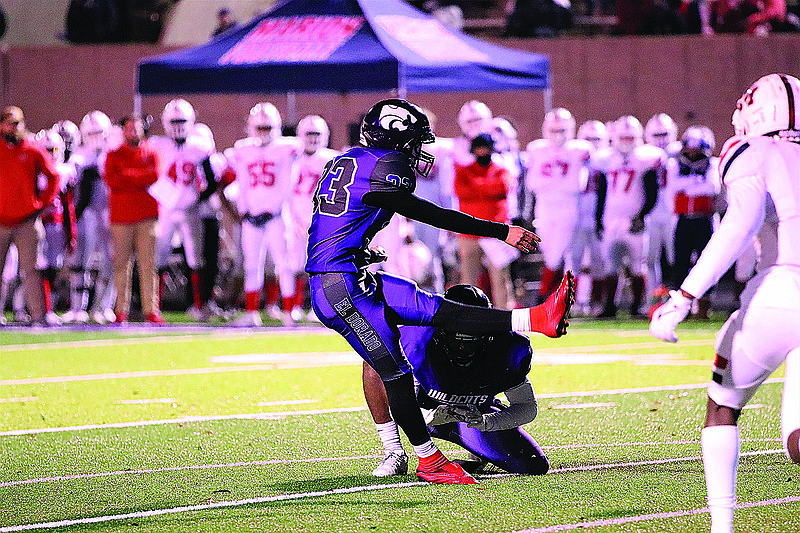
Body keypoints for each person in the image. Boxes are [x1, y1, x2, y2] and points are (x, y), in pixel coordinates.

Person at [305, 98, 575, 485]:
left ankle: (534, 318)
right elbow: (431, 214)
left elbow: (331, 220)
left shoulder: (345, 161)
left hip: (346, 273)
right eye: (414, 140)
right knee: (394, 370)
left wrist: (359, 249)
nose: (419, 150)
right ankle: (425, 459)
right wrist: (502, 230)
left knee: (435, 307)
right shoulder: (388, 165)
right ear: (396, 139)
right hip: (339, 286)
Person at [650, 73, 800, 533]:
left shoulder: (749, 149)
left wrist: (685, 294)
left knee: (722, 406)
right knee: (797, 442)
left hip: (781, 292)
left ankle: (723, 527)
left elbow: (740, 223)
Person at [363, 284, 548, 477]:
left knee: (531, 464)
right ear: (441, 331)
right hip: (423, 413)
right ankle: (394, 451)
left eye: (472, 338)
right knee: (375, 359)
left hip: (472, 418)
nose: (462, 348)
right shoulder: (416, 341)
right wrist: (430, 416)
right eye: (456, 338)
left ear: (488, 334)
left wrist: (487, 421)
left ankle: (472, 455)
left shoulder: (508, 348)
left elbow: (526, 405)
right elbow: (398, 400)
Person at [224, 102, 300, 326]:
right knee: (251, 265)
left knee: (283, 264)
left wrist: (275, 208)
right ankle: (251, 312)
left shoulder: (287, 148)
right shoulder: (243, 149)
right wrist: (244, 210)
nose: (263, 133)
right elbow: (242, 181)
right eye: (260, 128)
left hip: (276, 215)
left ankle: (288, 312)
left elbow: (289, 181)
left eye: (267, 128)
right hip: (252, 217)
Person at [149, 99, 218, 321]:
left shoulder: (199, 147)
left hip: (190, 210)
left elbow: (211, 181)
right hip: (165, 209)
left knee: (195, 258)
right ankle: (154, 308)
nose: (178, 126)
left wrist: (197, 199)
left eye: (182, 121)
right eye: (174, 121)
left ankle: (198, 305)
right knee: (158, 258)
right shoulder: (156, 145)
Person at [593, 115, 665, 318]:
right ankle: (609, 306)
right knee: (610, 264)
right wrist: (598, 218)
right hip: (611, 218)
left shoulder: (645, 159)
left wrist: (642, 216)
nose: (626, 141)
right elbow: (602, 191)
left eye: (629, 137)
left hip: (634, 218)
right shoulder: (606, 159)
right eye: (622, 137)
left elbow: (652, 193)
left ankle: (638, 305)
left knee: (637, 264)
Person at [525, 108, 593, 305]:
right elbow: (532, 184)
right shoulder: (537, 149)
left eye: (562, 130)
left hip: (567, 208)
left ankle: (544, 295)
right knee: (548, 252)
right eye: (554, 130)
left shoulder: (578, 149)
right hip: (544, 208)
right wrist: (558, 183)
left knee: (556, 255)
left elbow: (577, 186)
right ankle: (554, 296)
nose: (558, 135)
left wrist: (552, 183)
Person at [0, 106, 61, 326]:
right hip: (1, 221)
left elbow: (53, 176)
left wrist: (41, 203)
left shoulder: (32, 149)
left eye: (17, 123)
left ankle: (38, 315)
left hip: (27, 220)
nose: (13, 128)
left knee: (32, 271)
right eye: (9, 123)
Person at [104, 114, 163, 324]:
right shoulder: (114, 155)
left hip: (147, 216)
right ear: (123, 131)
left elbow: (154, 175)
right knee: (121, 264)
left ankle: (151, 309)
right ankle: (121, 310)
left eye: (136, 128)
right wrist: (138, 176)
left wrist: (128, 175)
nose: (133, 132)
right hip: (121, 217)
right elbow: (113, 180)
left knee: (148, 265)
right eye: (129, 128)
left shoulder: (151, 152)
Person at [454, 133, 519, 310]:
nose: (482, 152)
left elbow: (504, 188)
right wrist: (487, 187)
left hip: (495, 232)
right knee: (468, 280)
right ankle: (466, 317)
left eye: (485, 148)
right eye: (479, 148)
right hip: (469, 232)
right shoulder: (464, 171)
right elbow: (462, 192)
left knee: (501, 279)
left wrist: (478, 186)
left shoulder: (502, 170)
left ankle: (504, 318)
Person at [63, 110, 116, 324]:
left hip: (110, 213)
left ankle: (104, 306)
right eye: (91, 133)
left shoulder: (113, 154)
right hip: (86, 214)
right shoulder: (78, 156)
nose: (95, 137)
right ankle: (78, 307)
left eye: (99, 132)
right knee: (80, 262)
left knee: (109, 261)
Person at [284, 115, 339, 321]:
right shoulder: (291, 157)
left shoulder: (332, 160)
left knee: (322, 268)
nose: (313, 138)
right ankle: (294, 306)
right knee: (294, 266)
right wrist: (293, 220)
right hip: (295, 220)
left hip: (322, 222)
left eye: (316, 134)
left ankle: (321, 308)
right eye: (309, 134)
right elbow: (284, 192)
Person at [667, 125, 720, 318]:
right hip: (683, 220)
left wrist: (689, 185)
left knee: (706, 262)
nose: (692, 154)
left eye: (697, 150)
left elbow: (711, 188)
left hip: (705, 219)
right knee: (680, 262)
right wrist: (696, 182)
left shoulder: (713, 164)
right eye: (689, 150)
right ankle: (682, 306)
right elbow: (674, 187)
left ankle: (704, 304)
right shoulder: (675, 165)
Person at [33, 128, 77, 325]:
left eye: (53, 149)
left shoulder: (64, 171)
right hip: (36, 224)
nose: (50, 154)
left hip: (56, 225)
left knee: (52, 268)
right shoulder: (32, 171)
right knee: (37, 268)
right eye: (46, 150)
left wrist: (71, 231)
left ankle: (43, 308)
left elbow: (68, 205)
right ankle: (38, 308)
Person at [643, 113, 679, 304]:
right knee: (649, 260)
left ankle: (681, 299)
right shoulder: (642, 155)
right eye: (656, 135)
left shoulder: (680, 152)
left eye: (664, 134)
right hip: (651, 214)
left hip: (674, 214)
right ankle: (652, 300)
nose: (661, 139)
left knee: (677, 259)